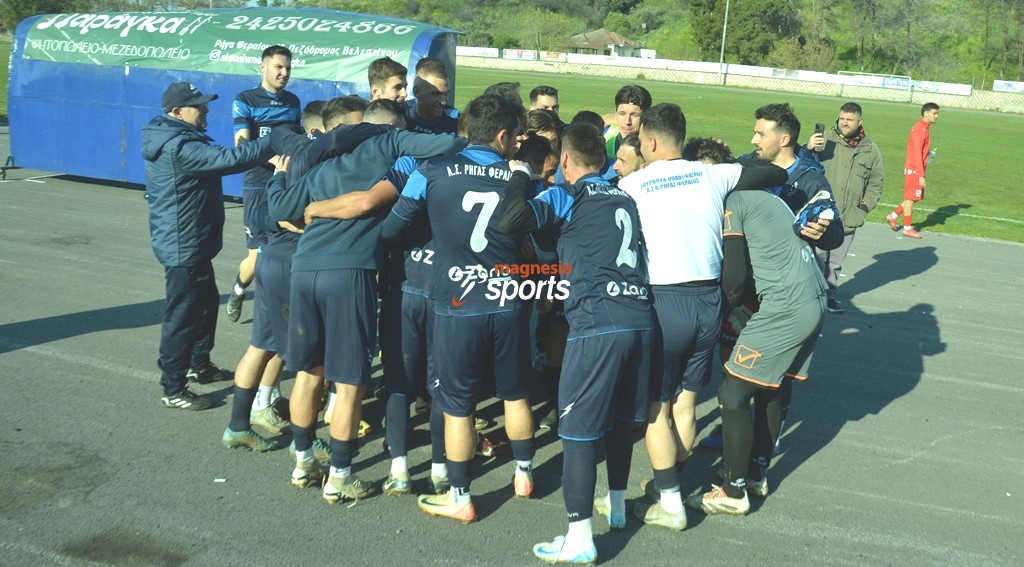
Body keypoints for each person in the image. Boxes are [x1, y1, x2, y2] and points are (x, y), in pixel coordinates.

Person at [267, 103, 466, 504]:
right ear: (392, 129)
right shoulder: (391, 145)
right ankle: (340, 477)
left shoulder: (323, 169)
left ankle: (303, 461)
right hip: (350, 271)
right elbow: (450, 144)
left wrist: (277, 178)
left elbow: (281, 210)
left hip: (304, 269)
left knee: (309, 372)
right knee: (349, 381)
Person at [617, 103, 787, 532]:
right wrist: (737, 163)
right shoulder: (712, 174)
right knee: (686, 403)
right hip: (709, 301)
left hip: (665, 300)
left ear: (650, 141)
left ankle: (669, 501)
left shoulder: (633, 184)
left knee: (656, 408)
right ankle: (667, 486)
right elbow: (775, 173)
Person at [499, 124, 655, 564]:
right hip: (641, 317)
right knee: (621, 421)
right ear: (602, 161)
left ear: (565, 160)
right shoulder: (623, 196)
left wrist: (520, 176)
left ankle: (580, 538)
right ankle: (617, 506)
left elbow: (512, 220)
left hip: (597, 322)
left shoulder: (568, 194)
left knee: (578, 433)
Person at [382, 94, 535, 524]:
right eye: (515, 136)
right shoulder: (519, 178)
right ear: (501, 136)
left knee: (458, 405)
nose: (516, 144)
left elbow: (392, 229)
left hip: (457, 305)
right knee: (515, 394)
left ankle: (460, 496)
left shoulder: (430, 170)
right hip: (507, 301)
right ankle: (524, 474)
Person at [686, 177, 829, 517]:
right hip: (814, 298)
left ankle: (733, 491)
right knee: (770, 387)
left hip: (786, 306)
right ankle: (754, 474)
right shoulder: (765, 197)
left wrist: (718, 315)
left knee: (732, 392)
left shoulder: (734, 202)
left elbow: (735, 279)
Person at [142, 81, 274, 410]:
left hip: (192, 242)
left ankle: (199, 364)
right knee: (183, 315)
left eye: (204, 104)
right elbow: (232, 158)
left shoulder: (177, 138)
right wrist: (275, 140)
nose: (205, 110)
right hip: (183, 247)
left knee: (205, 303)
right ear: (177, 112)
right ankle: (173, 388)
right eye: (198, 106)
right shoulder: (180, 147)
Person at [226, 45, 301, 323]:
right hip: (258, 185)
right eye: (279, 67)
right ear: (263, 67)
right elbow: (242, 144)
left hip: (287, 183)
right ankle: (238, 290)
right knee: (258, 259)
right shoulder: (245, 99)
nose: (284, 72)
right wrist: (276, 161)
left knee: (290, 249)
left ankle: (283, 314)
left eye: (288, 67)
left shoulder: (293, 101)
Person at [807, 102, 884, 313]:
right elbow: (802, 164)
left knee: (835, 261)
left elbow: (876, 182)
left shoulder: (870, 149)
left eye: (849, 120)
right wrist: (809, 147)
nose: (844, 123)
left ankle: (829, 295)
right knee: (817, 257)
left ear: (860, 121)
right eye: (842, 119)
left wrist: (863, 208)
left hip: (849, 216)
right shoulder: (825, 140)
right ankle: (812, 296)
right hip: (822, 213)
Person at [887, 102, 939, 239]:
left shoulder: (924, 128)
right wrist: (921, 175)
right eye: (934, 113)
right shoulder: (919, 130)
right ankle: (907, 228)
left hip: (916, 168)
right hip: (914, 169)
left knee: (914, 198)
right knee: (910, 198)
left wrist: (927, 156)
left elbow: (920, 151)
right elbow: (916, 153)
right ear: (926, 113)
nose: (936, 116)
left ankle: (892, 216)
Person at [405, 57, 459, 135]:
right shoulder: (400, 117)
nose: (443, 102)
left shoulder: (455, 126)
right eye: (436, 94)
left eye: (446, 94)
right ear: (417, 92)